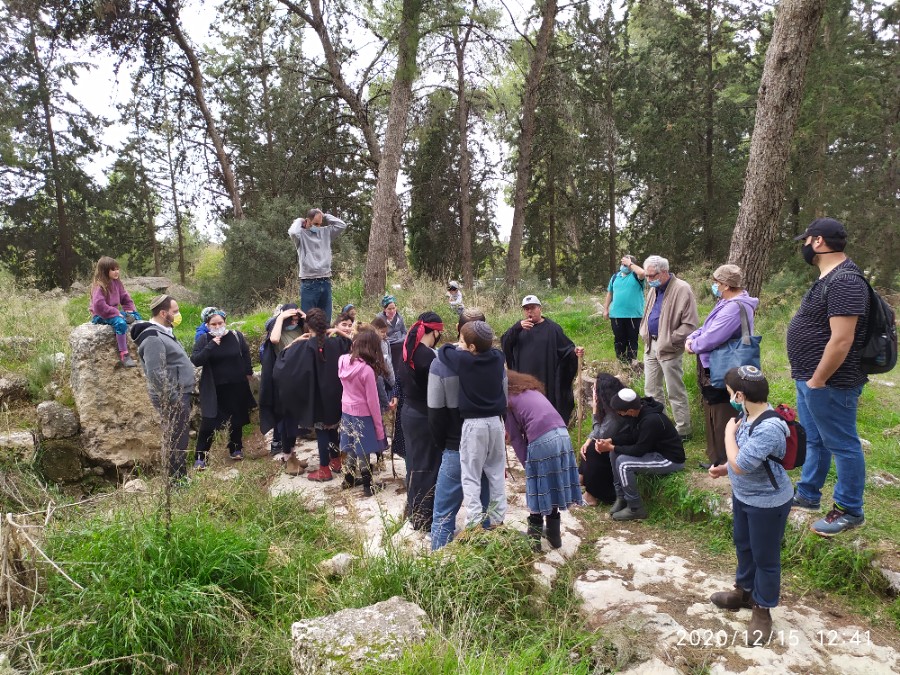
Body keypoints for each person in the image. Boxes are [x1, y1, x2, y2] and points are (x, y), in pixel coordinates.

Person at [786, 217, 869, 536]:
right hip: (811, 378)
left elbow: (842, 339)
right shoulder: (830, 277)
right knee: (815, 439)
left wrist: (819, 379)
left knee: (843, 443)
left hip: (831, 381)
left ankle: (850, 509)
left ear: (818, 242)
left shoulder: (846, 280)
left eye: (805, 241)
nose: (804, 247)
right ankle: (808, 494)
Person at [708, 366, 793, 646]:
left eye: (732, 394)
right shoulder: (747, 414)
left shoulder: (769, 427)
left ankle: (762, 608)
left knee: (765, 557)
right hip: (744, 496)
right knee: (743, 543)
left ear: (741, 395)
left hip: (768, 502)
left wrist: (727, 435)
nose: (730, 398)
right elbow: (742, 460)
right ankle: (743, 591)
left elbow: (743, 464)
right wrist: (724, 469)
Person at [428, 308, 493, 550]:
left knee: (444, 514)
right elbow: (503, 406)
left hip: (455, 446)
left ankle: (439, 566)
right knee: (485, 512)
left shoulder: (441, 363)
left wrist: (441, 443)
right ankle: (483, 564)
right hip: (486, 447)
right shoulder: (497, 362)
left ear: (458, 329)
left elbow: (435, 412)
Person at [685, 264, 759, 468]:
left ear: (726, 285)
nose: (714, 286)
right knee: (712, 406)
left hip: (725, 366)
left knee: (723, 411)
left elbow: (713, 336)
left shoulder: (735, 307)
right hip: (717, 364)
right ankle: (715, 457)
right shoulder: (725, 303)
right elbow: (706, 327)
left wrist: (694, 345)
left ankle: (726, 460)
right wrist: (692, 337)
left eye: (716, 283)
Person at [437, 321, 507, 531]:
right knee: (495, 472)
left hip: (474, 425)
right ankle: (497, 518)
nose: (459, 345)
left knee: (471, 475)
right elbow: (493, 350)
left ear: (472, 348)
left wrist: (456, 346)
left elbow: (443, 351)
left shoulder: (464, 361)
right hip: (496, 423)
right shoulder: (497, 358)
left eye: (462, 341)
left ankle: (474, 521)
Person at [505, 370, 583, 550]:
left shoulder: (507, 400)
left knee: (537, 488)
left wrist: (528, 466)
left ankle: (533, 541)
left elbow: (516, 438)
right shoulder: (530, 390)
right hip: (563, 435)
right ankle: (555, 537)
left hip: (542, 439)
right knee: (553, 483)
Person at [273, 307, 351, 481]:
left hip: (317, 398)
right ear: (326, 325)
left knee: (322, 432)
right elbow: (355, 342)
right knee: (333, 429)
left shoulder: (303, 346)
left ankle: (324, 470)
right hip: (336, 396)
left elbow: (282, 362)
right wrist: (339, 331)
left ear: (308, 326)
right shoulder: (337, 343)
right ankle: (336, 461)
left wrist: (295, 342)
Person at [594, 388, 686, 521]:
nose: (619, 414)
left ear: (630, 411)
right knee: (614, 453)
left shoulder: (651, 420)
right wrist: (612, 441)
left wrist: (612, 446)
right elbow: (633, 436)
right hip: (653, 452)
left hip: (669, 459)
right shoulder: (638, 412)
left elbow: (639, 450)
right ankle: (621, 497)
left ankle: (635, 508)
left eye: (620, 412)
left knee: (624, 464)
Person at [130, 295, 194, 481]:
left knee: (178, 436)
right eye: (175, 311)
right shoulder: (152, 337)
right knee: (176, 438)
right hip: (172, 395)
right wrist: (173, 399)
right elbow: (155, 372)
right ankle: (177, 482)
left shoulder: (164, 332)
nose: (178, 314)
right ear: (163, 313)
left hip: (178, 391)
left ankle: (178, 478)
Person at [638, 255, 698, 439]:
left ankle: (683, 430)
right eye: (646, 276)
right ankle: (660, 426)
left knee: (674, 390)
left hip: (669, 347)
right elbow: (649, 314)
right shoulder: (653, 290)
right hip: (651, 345)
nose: (648, 280)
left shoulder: (682, 289)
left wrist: (670, 340)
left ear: (664, 272)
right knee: (651, 390)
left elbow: (690, 324)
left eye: (652, 276)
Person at [501, 295, 585, 423]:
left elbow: (566, 350)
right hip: (524, 380)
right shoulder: (518, 329)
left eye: (533, 308)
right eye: (526, 309)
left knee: (545, 411)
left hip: (546, 379)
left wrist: (575, 352)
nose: (529, 311)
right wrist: (517, 328)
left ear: (540, 308)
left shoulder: (553, 328)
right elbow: (505, 343)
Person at [190, 308, 256, 468]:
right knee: (208, 423)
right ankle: (201, 457)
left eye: (220, 322)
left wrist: (248, 372)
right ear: (207, 325)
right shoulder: (204, 339)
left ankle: (236, 448)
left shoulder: (235, 336)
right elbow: (196, 360)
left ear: (225, 322)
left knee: (237, 419)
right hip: (214, 388)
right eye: (214, 324)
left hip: (236, 385)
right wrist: (211, 346)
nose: (218, 326)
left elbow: (245, 354)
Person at [398, 311, 444, 530]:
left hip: (408, 413)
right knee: (428, 466)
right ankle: (424, 518)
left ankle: (413, 509)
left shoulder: (407, 350)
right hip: (425, 416)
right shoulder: (429, 358)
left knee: (414, 464)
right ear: (434, 331)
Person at [338, 330, 388, 497]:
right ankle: (368, 486)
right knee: (364, 449)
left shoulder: (342, 361)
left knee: (351, 445)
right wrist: (379, 427)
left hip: (346, 409)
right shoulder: (366, 371)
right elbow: (373, 403)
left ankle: (348, 479)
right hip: (363, 413)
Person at [259, 304, 306, 461]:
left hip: (299, 376)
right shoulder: (278, 330)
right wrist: (280, 317)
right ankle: (287, 456)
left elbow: (314, 333)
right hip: (284, 376)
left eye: (296, 319)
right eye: (290, 319)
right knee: (286, 418)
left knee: (295, 418)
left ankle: (292, 454)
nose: (294, 322)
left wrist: (305, 317)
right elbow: (274, 339)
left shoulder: (300, 328)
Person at [288, 208, 348, 323]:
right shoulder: (300, 236)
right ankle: (310, 341)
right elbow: (293, 232)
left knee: (325, 321)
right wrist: (300, 220)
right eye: (315, 224)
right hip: (309, 283)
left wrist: (325, 215)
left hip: (325, 281)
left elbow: (342, 225)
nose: (318, 227)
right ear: (308, 221)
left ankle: (324, 341)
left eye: (320, 224)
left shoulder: (326, 232)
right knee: (309, 321)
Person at [579, 374, 629, 506]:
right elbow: (597, 433)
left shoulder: (614, 414)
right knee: (588, 446)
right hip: (614, 444)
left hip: (622, 449)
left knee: (594, 449)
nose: (593, 392)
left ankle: (592, 495)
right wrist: (589, 439)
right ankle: (581, 480)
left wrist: (595, 412)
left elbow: (601, 435)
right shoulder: (608, 407)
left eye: (595, 389)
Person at [89, 256, 141, 368]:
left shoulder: (117, 283)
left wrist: (129, 310)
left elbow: (125, 298)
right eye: (113, 269)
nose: (116, 271)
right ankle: (124, 354)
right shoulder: (100, 286)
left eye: (117, 269)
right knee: (120, 323)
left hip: (113, 312)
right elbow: (99, 306)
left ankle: (141, 345)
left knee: (136, 316)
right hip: (101, 314)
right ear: (104, 271)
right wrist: (116, 313)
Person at [602, 255, 646, 365]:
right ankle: (621, 363)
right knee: (619, 340)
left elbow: (642, 273)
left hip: (633, 316)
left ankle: (632, 364)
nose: (623, 266)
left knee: (632, 340)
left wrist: (630, 264)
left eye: (625, 264)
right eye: (622, 264)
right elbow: (610, 293)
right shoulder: (615, 277)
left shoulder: (637, 276)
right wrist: (606, 309)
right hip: (616, 315)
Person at [377, 295, 407, 457]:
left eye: (394, 308)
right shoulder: (379, 320)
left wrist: (399, 339)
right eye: (389, 308)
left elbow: (404, 332)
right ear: (384, 309)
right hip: (389, 351)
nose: (392, 311)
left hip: (397, 348)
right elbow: (384, 336)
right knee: (389, 375)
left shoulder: (399, 317)